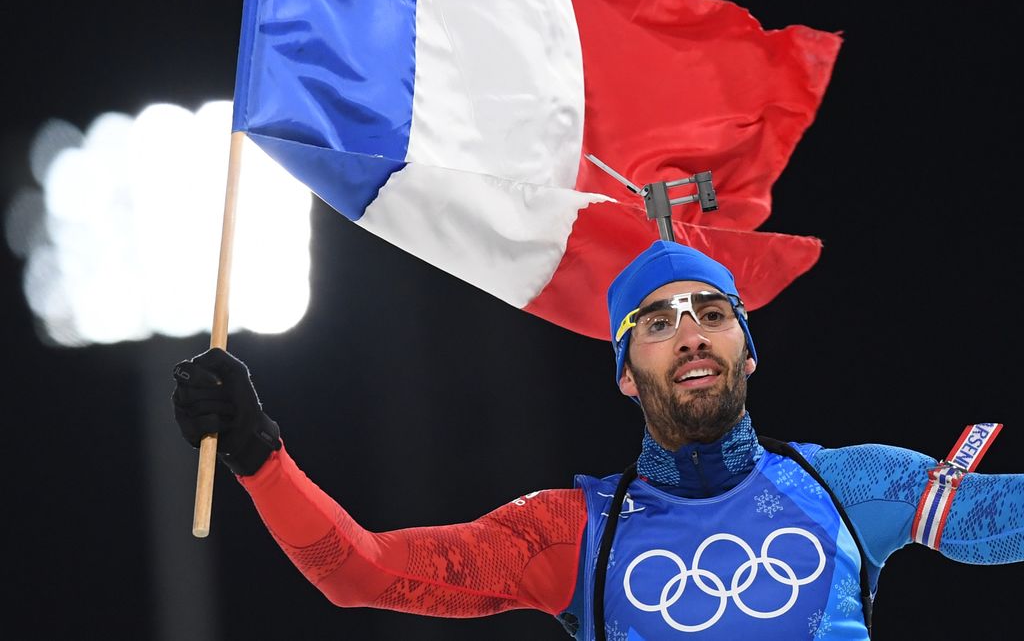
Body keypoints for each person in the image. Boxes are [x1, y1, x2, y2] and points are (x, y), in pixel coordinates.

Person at [172, 240, 1023, 640]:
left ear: (747, 351)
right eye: (659, 322)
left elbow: (1000, 517)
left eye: (712, 315)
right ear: (624, 370)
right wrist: (257, 453)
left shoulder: (851, 486)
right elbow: (361, 575)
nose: (691, 334)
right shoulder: (573, 533)